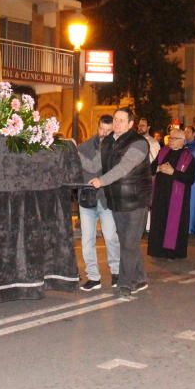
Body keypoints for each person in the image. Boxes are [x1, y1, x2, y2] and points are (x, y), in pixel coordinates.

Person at [90, 108, 152, 298]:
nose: (117, 123)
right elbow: (98, 165)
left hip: (136, 201)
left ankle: (125, 283)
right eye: (115, 119)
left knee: (129, 243)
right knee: (127, 242)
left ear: (131, 124)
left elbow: (123, 168)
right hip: (116, 200)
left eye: (121, 120)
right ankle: (140, 278)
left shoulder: (139, 143)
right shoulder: (107, 141)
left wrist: (101, 181)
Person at [77, 115, 120, 290]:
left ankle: (116, 272)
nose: (105, 133)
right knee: (87, 240)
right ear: (98, 127)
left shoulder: (116, 148)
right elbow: (93, 167)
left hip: (106, 199)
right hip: (87, 200)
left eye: (109, 131)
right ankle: (93, 277)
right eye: (102, 129)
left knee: (111, 237)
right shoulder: (84, 147)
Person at [148, 129, 195, 258]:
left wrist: (173, 173)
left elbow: (190, 179)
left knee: (174, 224)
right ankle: (157, 250)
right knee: (159, 222)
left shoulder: (189, 157)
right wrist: (158, 168)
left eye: (174, 138)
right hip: (160, 195)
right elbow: (151, 168)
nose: (170, 140)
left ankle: (172, 252)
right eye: (170, 138)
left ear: (182, 141)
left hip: (177, 198)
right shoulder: (163, 152)